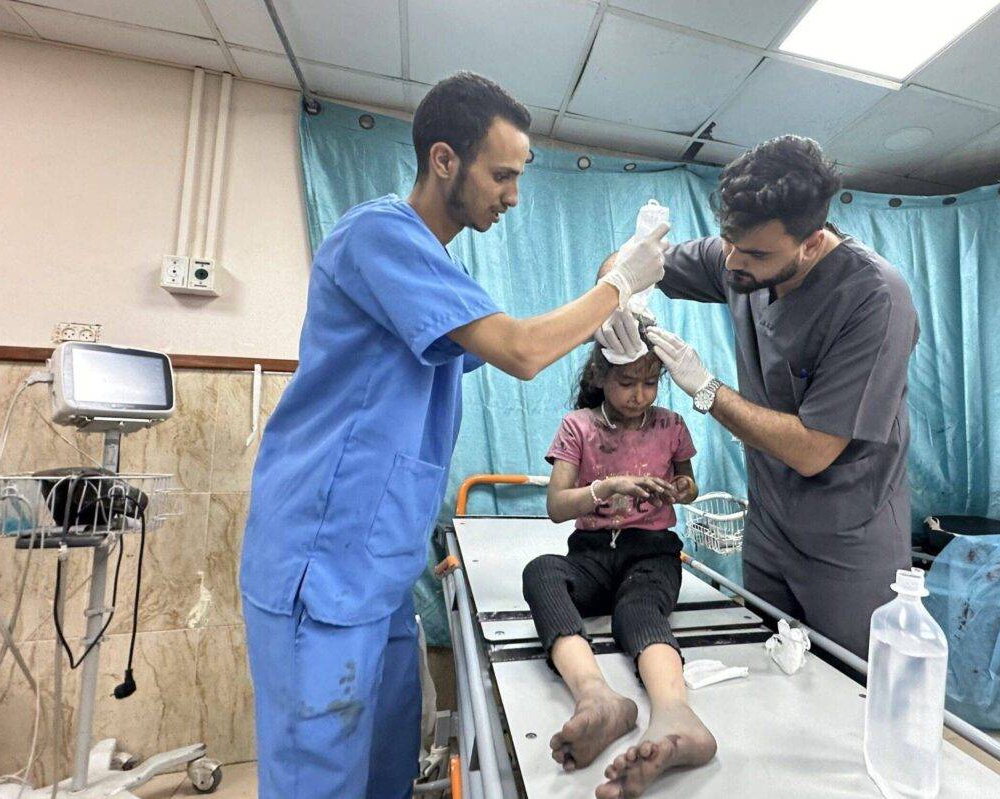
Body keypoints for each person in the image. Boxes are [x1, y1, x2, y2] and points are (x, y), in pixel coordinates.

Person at [239, 72, 669, 799]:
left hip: (376, 572)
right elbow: (524, 351)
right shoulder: (379, 234)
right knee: (320, 780)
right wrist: (616, 290)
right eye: (501, 175)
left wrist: (606, 293)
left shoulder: (436, 267)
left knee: (382, 769)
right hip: (322, 563)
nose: (512, 195)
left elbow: (516, 338)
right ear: (445, 160)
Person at [597, 135, 919, 660]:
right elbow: (630, 261)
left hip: (847, 536)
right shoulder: (740, 256)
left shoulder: (875, 299)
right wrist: (616, 293)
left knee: (849, 688)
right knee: (767, 665)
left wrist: (706, 389)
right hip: (770, 523)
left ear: (811, 243)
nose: (732, 262)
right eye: (728, 243)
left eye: (754, 253)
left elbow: (814, 450)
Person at [522, 323, 716, 799]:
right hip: (591, 555)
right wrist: (604, 488)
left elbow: (688, 482)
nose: (639, 395)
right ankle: (598, 698)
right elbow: (555, 507)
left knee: (638, 610)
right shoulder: (579, 427)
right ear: (601, 376)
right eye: (627, 383)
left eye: (650, 383)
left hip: (651, 553)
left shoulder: (670, 424)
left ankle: (675, 715)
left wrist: (682, 489)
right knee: (542, 571)